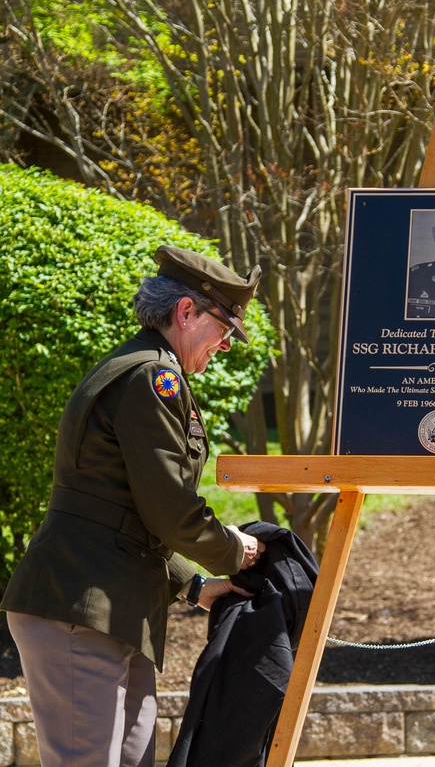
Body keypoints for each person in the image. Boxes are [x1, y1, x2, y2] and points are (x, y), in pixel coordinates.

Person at [1, 245, 267, 767]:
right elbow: (168, 506)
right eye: (225, 330)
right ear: (186, 313)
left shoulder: (146, 369)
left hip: (109, 606)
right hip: (82, 608)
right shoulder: (151, 377)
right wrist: (233, 549)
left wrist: (194, 586)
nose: (226, 347)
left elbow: (126, 513)